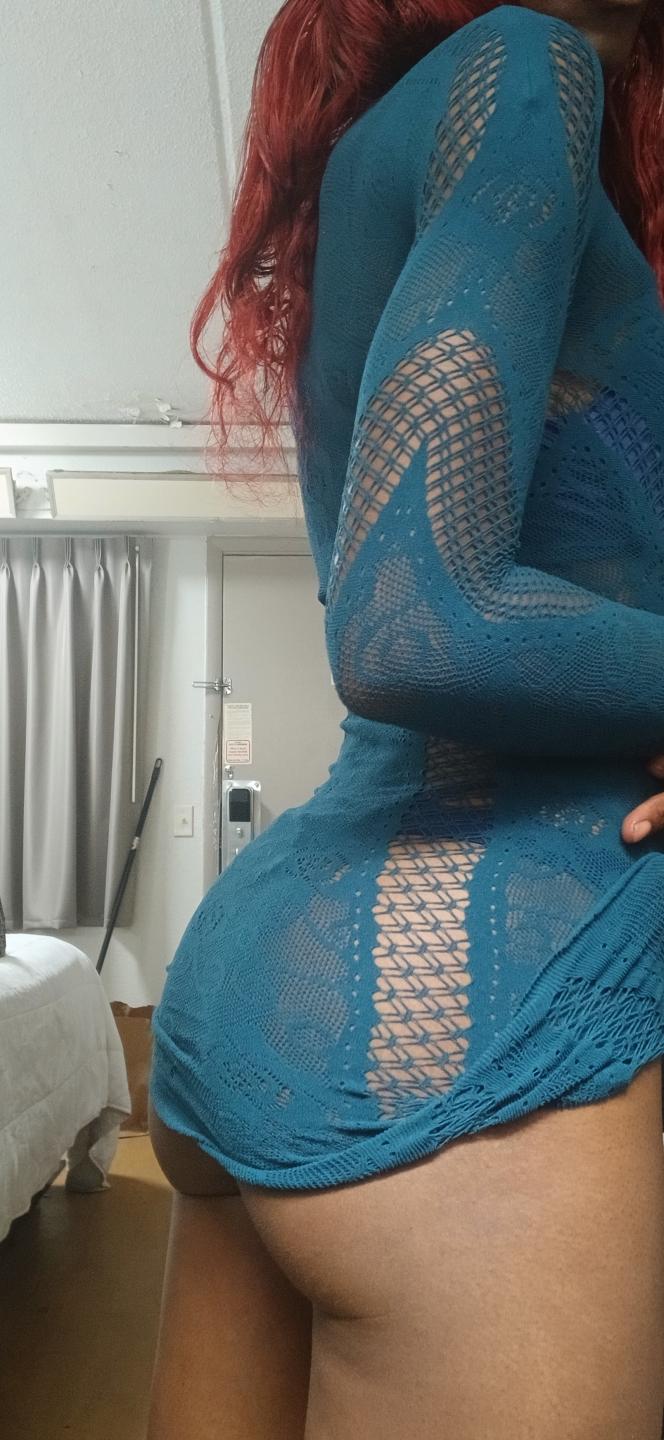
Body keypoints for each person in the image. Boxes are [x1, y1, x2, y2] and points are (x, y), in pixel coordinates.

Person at [147, 2, 664, 1435]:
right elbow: (415, 616)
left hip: (277, 969)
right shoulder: (525, 65)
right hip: (490, 1016)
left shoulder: (406, 144)